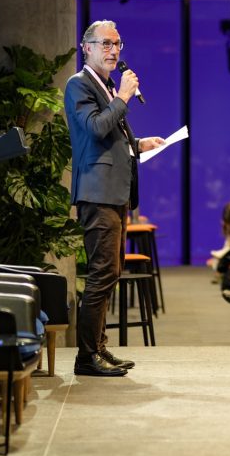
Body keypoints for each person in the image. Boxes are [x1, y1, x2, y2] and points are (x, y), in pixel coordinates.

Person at [65, 20, 165, 377]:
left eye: (118, 44)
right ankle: (86, 356)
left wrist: (139, 144)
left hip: (114, 192)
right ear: (86, 47)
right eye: (105, 43)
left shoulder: (105, 85)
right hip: (97, 191)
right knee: (101, 273)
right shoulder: (79, 85)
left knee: (111, 272)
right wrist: (123, 96)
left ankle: (99, 349)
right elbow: (93, 128)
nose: (113, 50)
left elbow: (110, 138)